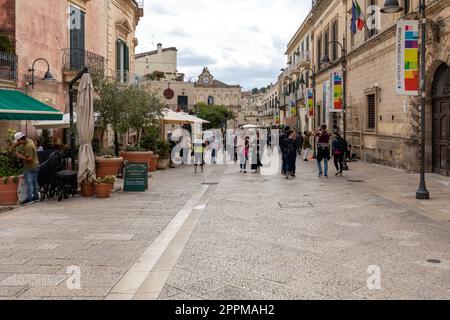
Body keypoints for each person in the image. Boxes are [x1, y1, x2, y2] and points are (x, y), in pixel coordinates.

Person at [11, 132, 39, 204]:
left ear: (20, 140)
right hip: (36, 165)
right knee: (34, 182)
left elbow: (29, 158)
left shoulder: (28, 146)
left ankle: (29, 199)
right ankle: (35, 197)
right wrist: (16, 144)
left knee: (29, 183)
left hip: (29, 167)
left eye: (18, 141)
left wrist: (19, 156)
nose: (18, 143)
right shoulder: (30, 140)